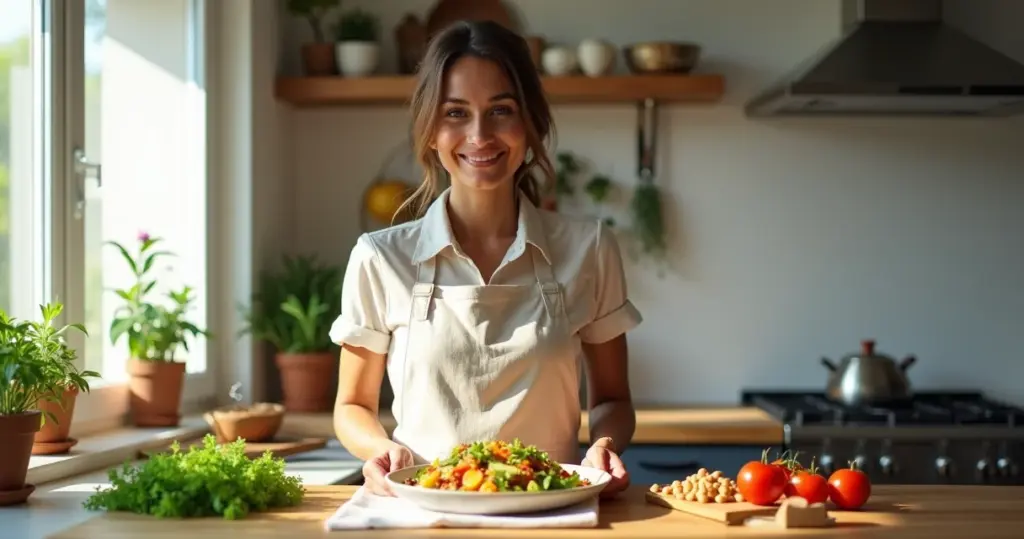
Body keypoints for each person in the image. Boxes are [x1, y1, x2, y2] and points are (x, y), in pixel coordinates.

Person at [330, 20, 642, 499]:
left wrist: (602, 443)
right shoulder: (381, 258)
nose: (480, 135)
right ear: (431, 131)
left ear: (530, 124)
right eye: (456, 113)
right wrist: (379, 449)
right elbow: (351, 405)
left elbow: (614, 400)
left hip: (548, 512)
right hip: (424, 510)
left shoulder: (590, 249)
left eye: (501, 110)